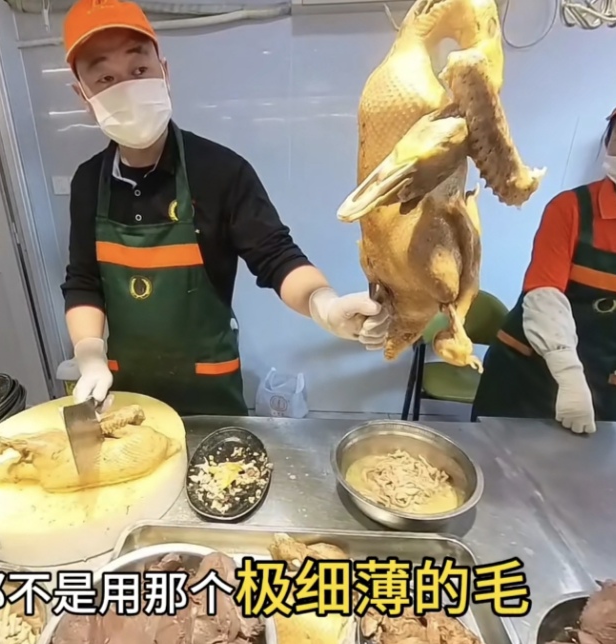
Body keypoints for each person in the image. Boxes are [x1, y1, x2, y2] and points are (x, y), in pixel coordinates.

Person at [60, 0, 389, 416]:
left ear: (165, 73)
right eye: (105, 78)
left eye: (139, 69)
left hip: (209, 390)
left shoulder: (220, 171)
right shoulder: (88, 182)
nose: (126, 87)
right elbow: (84, 281)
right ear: (84, 96)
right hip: (128, 393)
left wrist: (324, 305)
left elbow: (276, 257)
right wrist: (89, 355)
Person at [472, 73, 616, 434]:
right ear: (608, 145)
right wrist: (569, 374)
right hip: (526, 368)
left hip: (607, 382)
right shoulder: (571, 208)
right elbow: (544, 294)